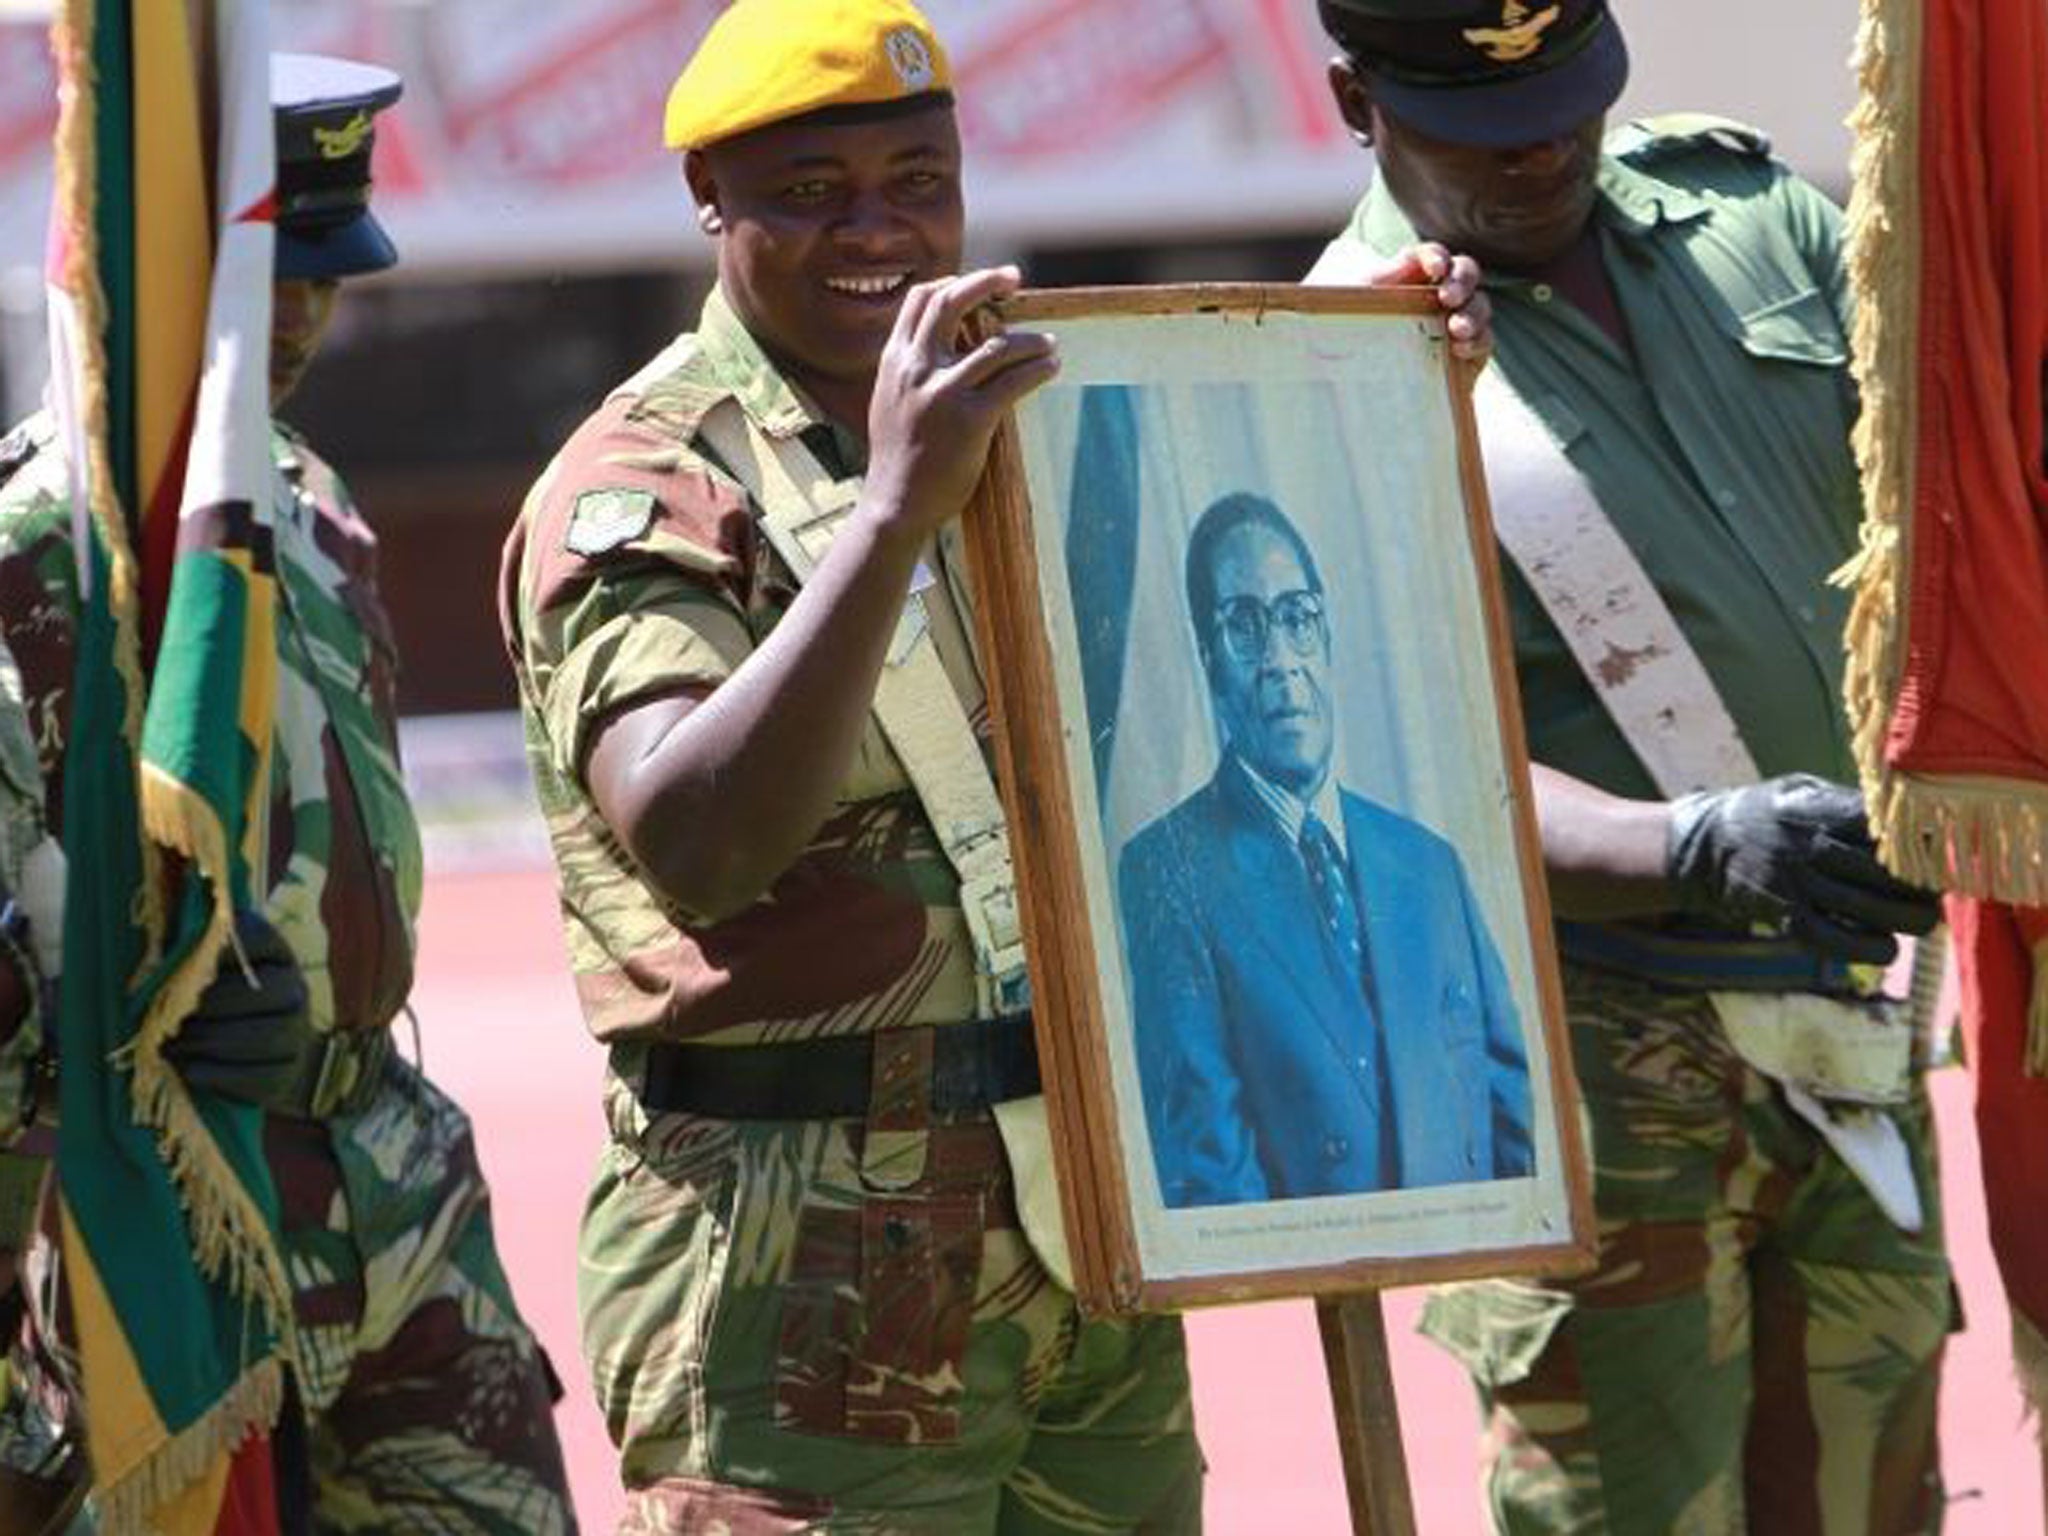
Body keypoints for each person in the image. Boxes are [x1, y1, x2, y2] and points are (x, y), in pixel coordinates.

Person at [498, 1, 1489, 1527]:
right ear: (711, 201)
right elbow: (696, 841)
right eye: (813, 192)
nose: (879, 230)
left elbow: (1235, 550)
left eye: (918, 178)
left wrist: (1398, 364)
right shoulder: (647, 481)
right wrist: (893, 516)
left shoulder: (1031, 403)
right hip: (801, 1259)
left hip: (1076, 1220)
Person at [1308, 2, 1951, 1531]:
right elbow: (1376, 760)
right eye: (1478, 123)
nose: (1539, 150)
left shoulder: (1754, 219)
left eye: (1568, 100)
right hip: (1586, 1049)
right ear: (1357, 101)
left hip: (1842, 1002)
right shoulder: (1337, 354)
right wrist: (1690, 845)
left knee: (1875, 1494)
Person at [0, 54, 575, 1533]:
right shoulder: (36, 554)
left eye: (323, 276)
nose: (303, 315)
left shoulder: (307, 511)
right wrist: (129, 1046)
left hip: (388, 1184)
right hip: (161, 1211)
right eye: (270, 275)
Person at [1118, 491, 1531, 1208]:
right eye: (1243, 626)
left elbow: (1513, 1116)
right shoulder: (1168, 867)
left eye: (1296, 618)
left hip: (1462, 1287)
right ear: (1209, 661)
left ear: (1328, 639)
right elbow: (1210, 1168)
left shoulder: (1430, 865)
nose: (1281, 661)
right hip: (1302, 1299)